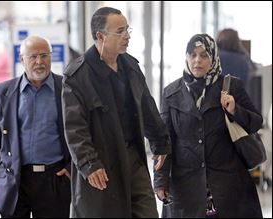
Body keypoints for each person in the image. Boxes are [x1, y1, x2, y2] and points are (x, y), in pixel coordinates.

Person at [62, 7, 171, 218]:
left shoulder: (130, 66)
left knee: (148, 213)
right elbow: (75, 128)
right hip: (101, 162)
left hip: (133, 158)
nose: (127, 36)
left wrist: (161, 143)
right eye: (120, 31)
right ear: (100, 36)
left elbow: (147, 107)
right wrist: (89, 164)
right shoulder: (77, 76)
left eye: (127, 30)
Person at [154, 33, 263, 218]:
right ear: (186, 57)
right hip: (186, 187)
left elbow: (256, 123)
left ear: (213, 58)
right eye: (192, 55)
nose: (197, 61)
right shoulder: (171, 93)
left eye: (204, 55)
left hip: (228, 185)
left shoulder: (231, 87)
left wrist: (235, 109)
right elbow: (164, 142)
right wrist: (160, 181)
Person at [0, 36, 71, 218]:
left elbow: (81, 132)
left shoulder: (67, 89)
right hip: (15, 179)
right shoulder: (3, 92)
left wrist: (72, 167)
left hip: (54, 179)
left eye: (44, 56)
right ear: (22, 59)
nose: (39, 62)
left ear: (51, 57)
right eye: (33, 57)